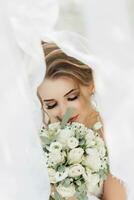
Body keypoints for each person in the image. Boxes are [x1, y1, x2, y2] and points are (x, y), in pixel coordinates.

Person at [37, 42, 127, 200]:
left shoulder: (112, 135)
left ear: (90, 86)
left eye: (72, 97)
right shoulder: (43, 143)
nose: (64, 112)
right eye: (51, 105)